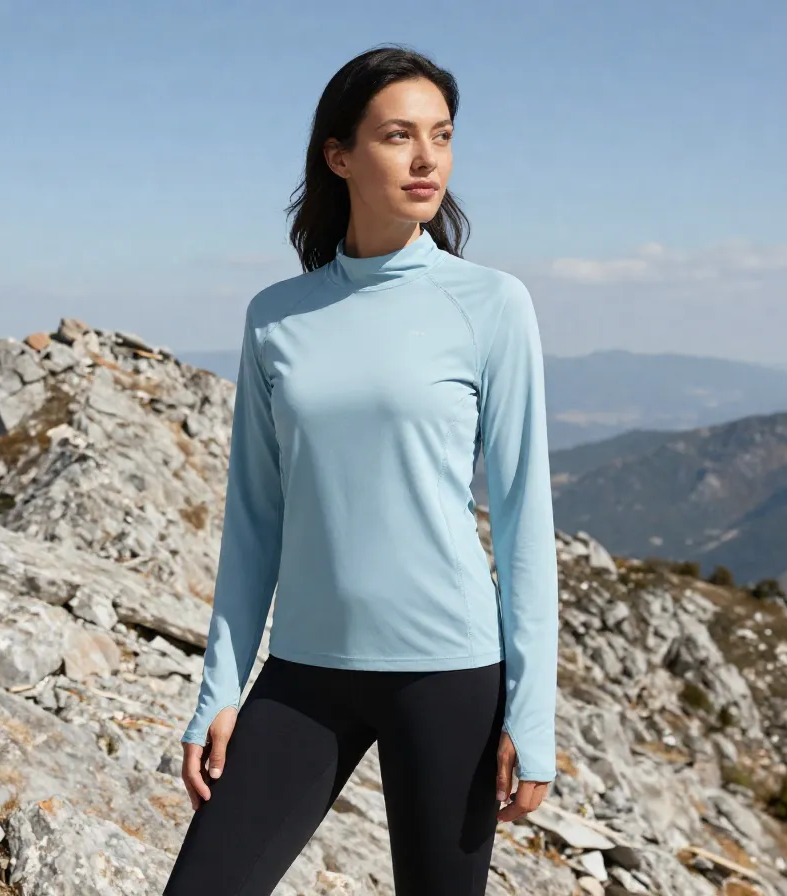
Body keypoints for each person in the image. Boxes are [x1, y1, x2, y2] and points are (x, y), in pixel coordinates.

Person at [162, 44, 560, 896]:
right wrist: (220, 689)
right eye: (397, 136)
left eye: (442, 136)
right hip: (306, 675)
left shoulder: (492, 304)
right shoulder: (276, 318)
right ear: (339, 156)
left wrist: (534, 710)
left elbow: (527, 521)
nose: (427, 160)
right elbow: (254, 519)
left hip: (449, 673)